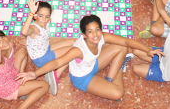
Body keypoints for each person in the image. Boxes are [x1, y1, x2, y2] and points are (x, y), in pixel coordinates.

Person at [18, 14, 162, 101]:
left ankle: (110, 78)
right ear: (84, 35)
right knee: (118, 93)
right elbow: (58, 61)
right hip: (82, 78)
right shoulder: (78, 50)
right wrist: (35, 74)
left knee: (122, 47)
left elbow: (125, 41)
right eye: (90, 32)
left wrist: (148, 49)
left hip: (93, 64)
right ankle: (119, 69)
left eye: (97, 30)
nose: (95, 35)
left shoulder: (102, 37)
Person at [0, 29, 49, 108]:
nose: (4, 41)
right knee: (44, 85)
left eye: (3, 37)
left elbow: (11, 58)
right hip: (5, 88)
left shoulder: (9, 45)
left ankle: (21, 78)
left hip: (11, 73)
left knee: (22, 50)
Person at [21, 0, 75, 95]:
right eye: (40, 16)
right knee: (73, 52)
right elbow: (24, 32)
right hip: (41, 59)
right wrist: (31, 14)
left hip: (44, 49)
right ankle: (56, 74)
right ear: (35, 15)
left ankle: (52, 69)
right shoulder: (35, 28)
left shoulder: (47, 22)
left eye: (47, 16)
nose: (44, 20)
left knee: (71, 42)